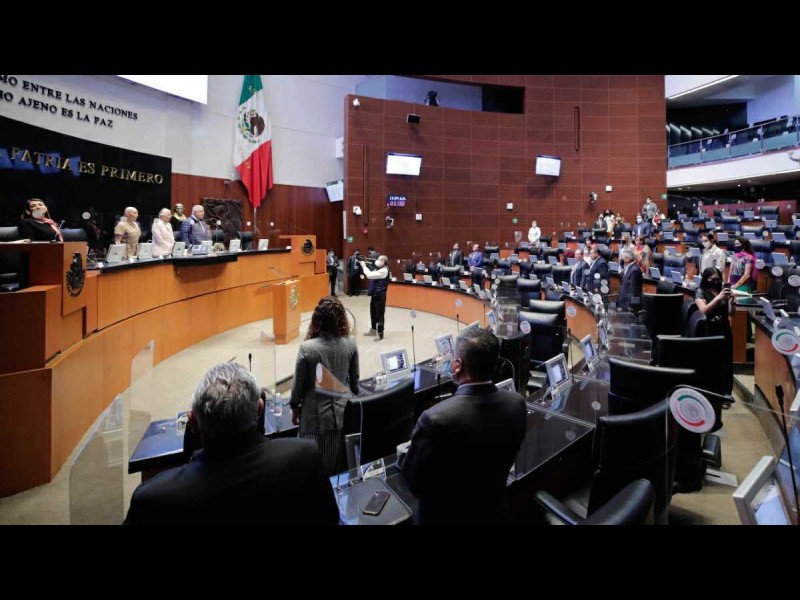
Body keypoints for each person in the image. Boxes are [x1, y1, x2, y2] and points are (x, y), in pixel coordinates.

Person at [124, 363, 339, 524]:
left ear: (193, 422)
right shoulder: (303, 457)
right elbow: (328, 519)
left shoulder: (152, 499)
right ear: (260, 408)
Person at [402, 328, 526, 524]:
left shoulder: (434, 419)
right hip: (494, 513)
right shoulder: (517, 403)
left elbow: (414, 484)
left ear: (458, 365)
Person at [289, 296, 360, 475]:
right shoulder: (350, 344)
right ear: (341, 319)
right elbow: (355, 384)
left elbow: (297, 388)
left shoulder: (307, 349)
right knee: (336, 472)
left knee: (311, 472)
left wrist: (294, 408)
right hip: (342, 418)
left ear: (317, 320)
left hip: (314, 424)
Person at [695, 267, 734, 361]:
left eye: (718, 279)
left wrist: (732, 301)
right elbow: (703, 311)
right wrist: (718, 298)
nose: (716, 282)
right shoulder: (700, 291)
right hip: (709, 328)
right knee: (711, 358)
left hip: (724, 328)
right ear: (706, 279)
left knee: (725, 357)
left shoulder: (722, 291)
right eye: (713, 279)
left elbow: (731, 313)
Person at [361, 254, 390, 340]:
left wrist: (364, 266)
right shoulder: (378, 269)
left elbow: (369, 275)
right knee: (373, 313)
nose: (377, 261)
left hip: (380, 295)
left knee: (380, 315)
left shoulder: (384, 271)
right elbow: (372, 272)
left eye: (379, 260)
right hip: (375, 294)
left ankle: (380, 334)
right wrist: (367, 265)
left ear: (383, 262)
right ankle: (373, 330)